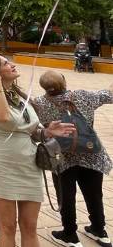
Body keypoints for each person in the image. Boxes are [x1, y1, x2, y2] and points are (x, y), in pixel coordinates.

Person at [0, 55, 76, 247]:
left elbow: (31, 130)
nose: (12, 64)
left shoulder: (19, 95)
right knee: (8, 227)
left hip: (29, 165)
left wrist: (46, 131)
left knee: (30, 226)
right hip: (3, 167)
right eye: (6, 63)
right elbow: (4, 116)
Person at [33, 70, 112, 247]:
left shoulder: (39, 103)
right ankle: (100, 231)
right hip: (91, 154)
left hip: (61, 157)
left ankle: (70, 235)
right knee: (94, 194)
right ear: (64, 81)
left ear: (44, 87)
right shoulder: (84, 96)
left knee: (66, 197)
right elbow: (109, 95)